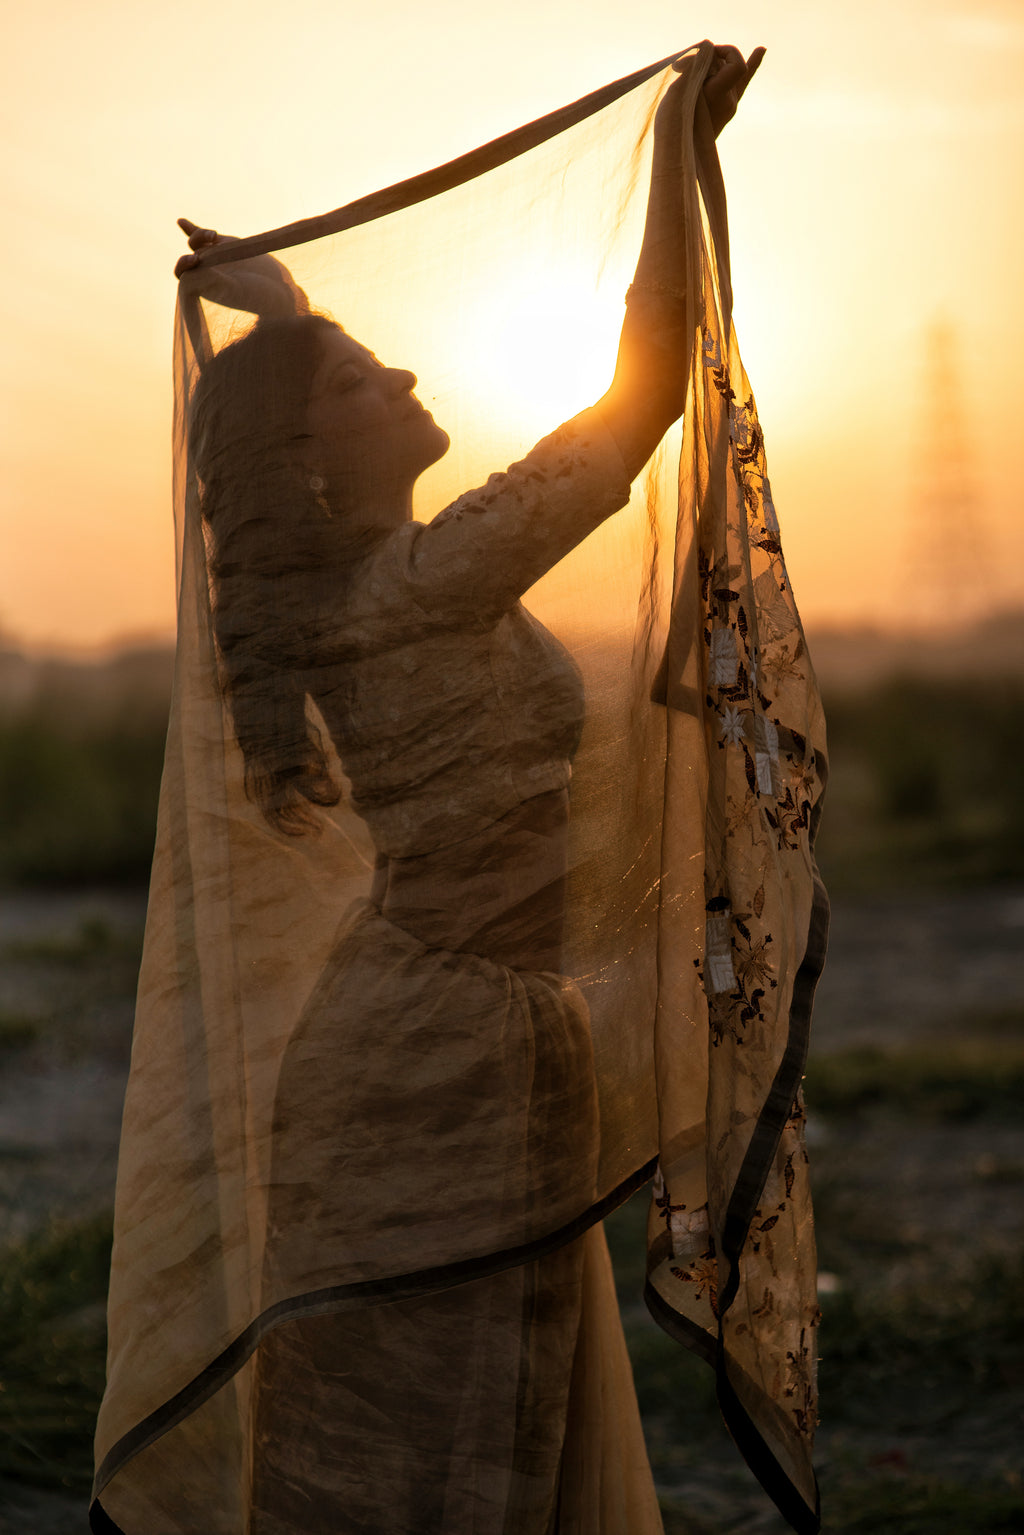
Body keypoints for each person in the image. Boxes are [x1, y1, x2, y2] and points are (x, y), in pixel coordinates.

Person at [99, 42, 823, 1535]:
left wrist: (290, 314)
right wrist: (675, 148)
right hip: (429, 1057)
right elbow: (638, 399)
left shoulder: (386, 582)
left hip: (474, 1035)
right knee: (423, 1435)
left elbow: (320, 431)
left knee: (492, 1405)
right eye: (359, 384)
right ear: (312, 461)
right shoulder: (410, 589)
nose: (408, 378)